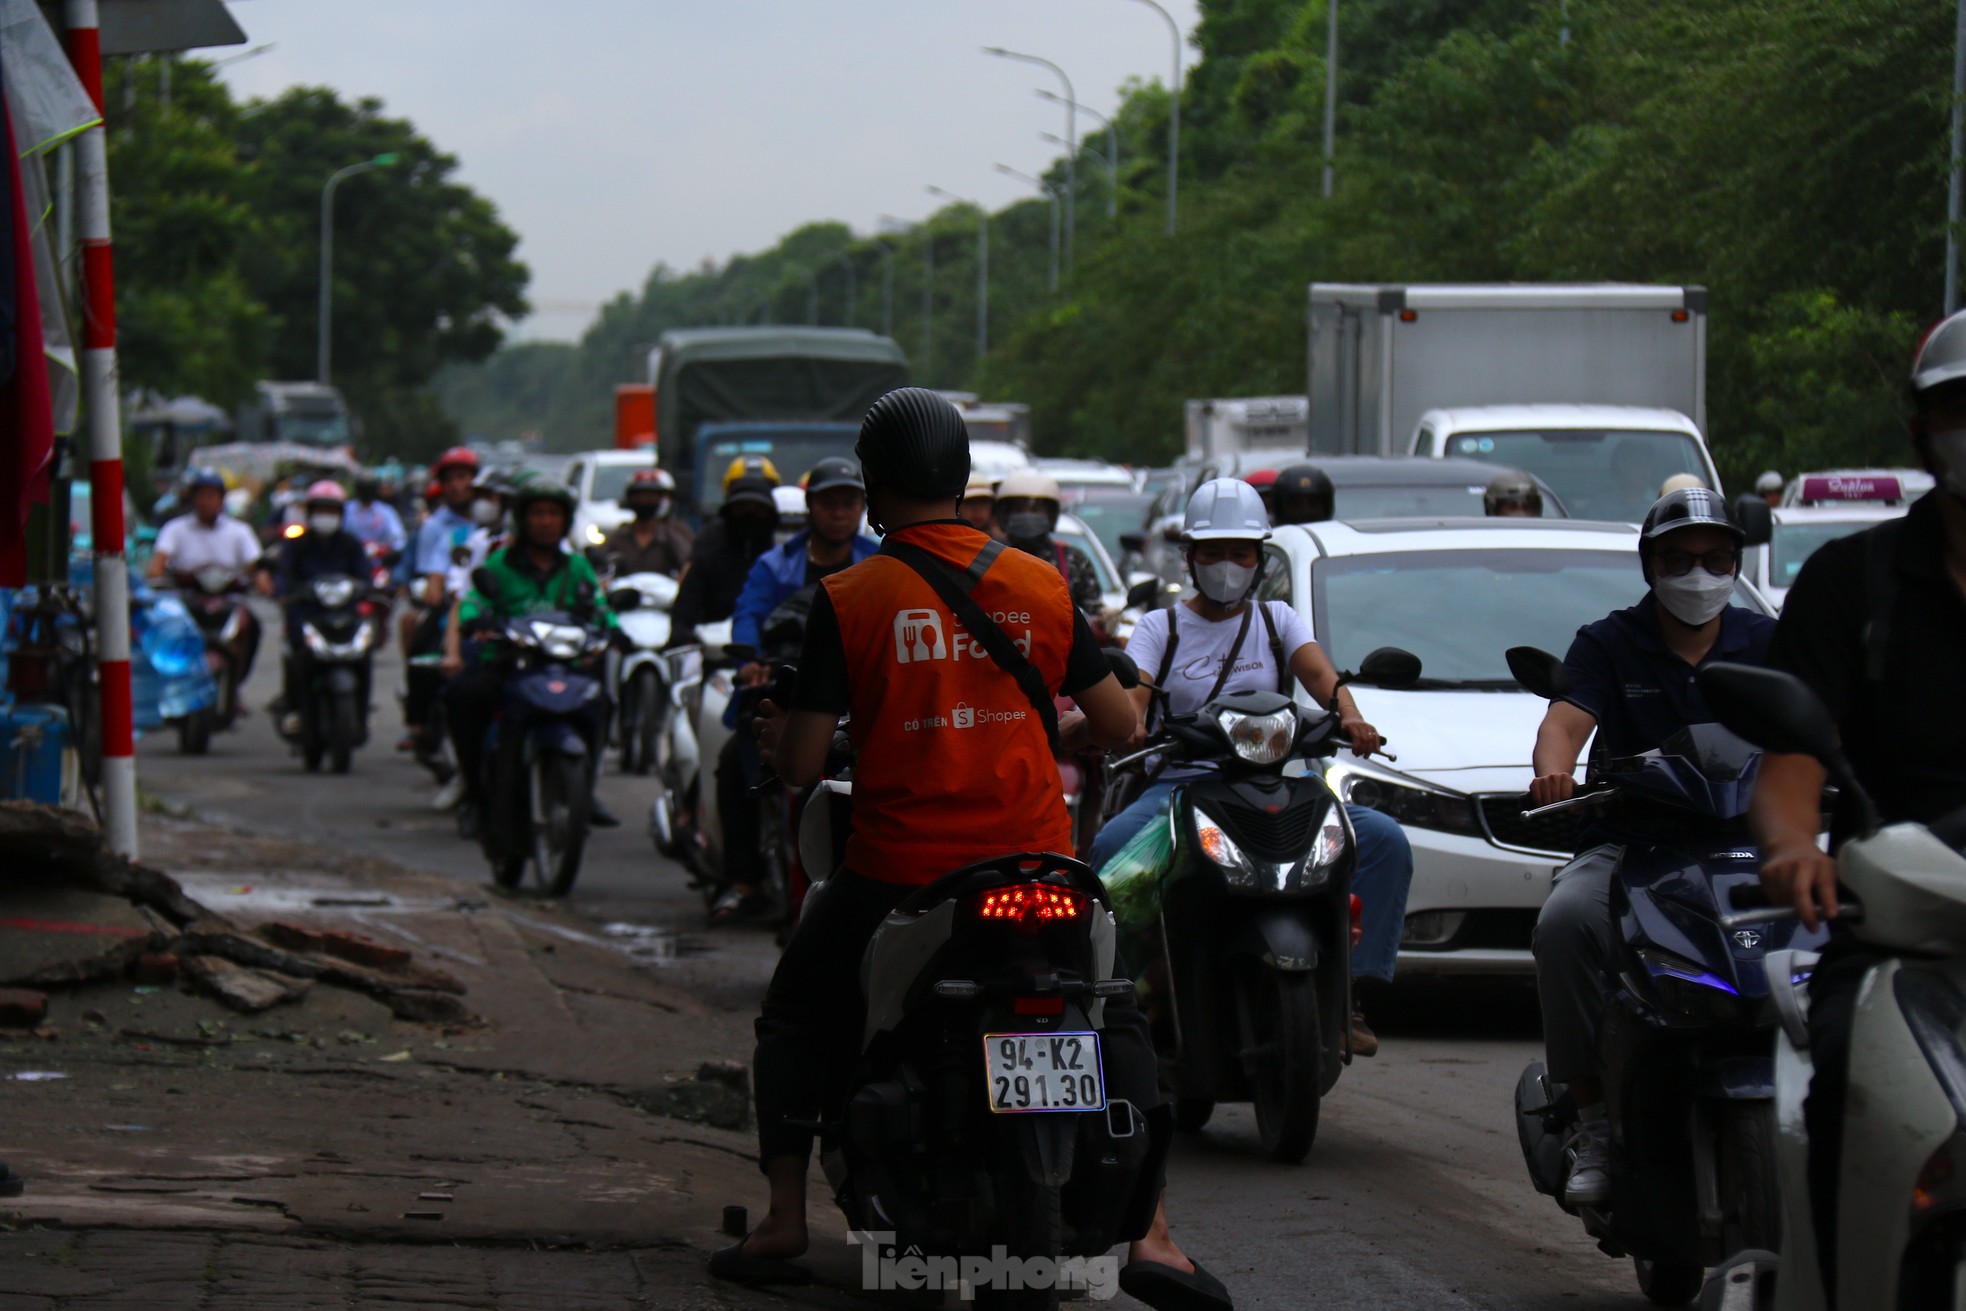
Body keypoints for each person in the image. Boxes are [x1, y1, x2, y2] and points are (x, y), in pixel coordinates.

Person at [724, 388, 1231, 1311]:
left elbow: (802, 759)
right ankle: (1154, 1235)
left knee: (799, 1010)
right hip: (1041, 866)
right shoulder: (1041, 582)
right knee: (1111, 1010)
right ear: (963, 482)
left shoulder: (852, 596)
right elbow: (1118, 723)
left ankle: (785, 1216)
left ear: (874, 489)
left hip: (900, 873)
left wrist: (776, 738)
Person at [1747, 309, 1966, 1302]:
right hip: (1903, 932)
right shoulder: (1853, 582)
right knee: (1845, 1074)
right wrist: (1796, 850)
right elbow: (1790, 766)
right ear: (1920, 427)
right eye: (1961, 408)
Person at [1084, 478, 1414, 1056]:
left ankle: (1349, 991)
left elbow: (1321, 679)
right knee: (1111, 848)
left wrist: (1352, 718)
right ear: (1189, 558)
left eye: (1241, 552)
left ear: (1259, 560)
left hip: (1275, 784)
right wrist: (1133, 723)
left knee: (1384, 842)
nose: (1227, 565)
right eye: (1213, 552)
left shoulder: (1278, 621)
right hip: (1180, 789)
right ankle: (1121, 999)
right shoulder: (1161, 627)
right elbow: (1134, 698)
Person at [1525, 486, 1776, 1208]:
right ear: (1649, 566)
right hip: (1634, 845)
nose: (1699, 574)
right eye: (1679, 559)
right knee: (1564, 923)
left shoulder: (1766, 641)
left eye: (1715, 558)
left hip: (1748, 845)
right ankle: (1594, 1120)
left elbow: (1816, 716)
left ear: (1735, 563)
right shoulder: (1608, 641)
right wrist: (1554, 767)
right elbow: (1567, 719)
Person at [709, 458, 878, 924]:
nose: (839, 513)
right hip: (780, 695)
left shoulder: (880, 559)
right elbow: (748, 613)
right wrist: (749, 663)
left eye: (849, 502)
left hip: (855, 701)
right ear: (809, 508)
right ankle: (743, 881)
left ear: (863, 507)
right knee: (731, 766)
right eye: (829, 503)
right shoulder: (775, 564)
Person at [442, 482, 617, 835]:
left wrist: (612, 630)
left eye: (553, 514)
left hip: (565, 664)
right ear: (523, 520)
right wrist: (475, 621)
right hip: (510, 665)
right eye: (538, 514)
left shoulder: (577, 567)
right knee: (463, 696)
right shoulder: (500, 564)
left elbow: (601, 610)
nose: (546, 522)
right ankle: (476, 794)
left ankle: (586, 786)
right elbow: (474, 602)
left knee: (602, 702)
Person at [148, 466, 264, 691]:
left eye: (211, 496)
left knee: (252, 625)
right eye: (201, 495)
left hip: (228, 598)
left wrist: (262, 580)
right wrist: (155, 577)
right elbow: (158, 563)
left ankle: (235, 685)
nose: (206, 501)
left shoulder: (239, 531)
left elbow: (255, 565)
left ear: (221, 499)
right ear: (192, 498)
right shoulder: (175, 529)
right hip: (187, 597)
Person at [270, 481, 371, 734]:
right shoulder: (297, 544)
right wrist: (284, 592)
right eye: (320, 510)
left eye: (331, 511)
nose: (325, 517)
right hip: (307, 612)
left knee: (364, 653)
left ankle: (362, 709)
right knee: (295, 652)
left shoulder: (350, 544)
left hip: (345, 612)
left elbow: (365, 576)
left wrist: (368, 588)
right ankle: (293, 706)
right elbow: (284, 575)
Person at [400, 447, 482, 755]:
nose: (458, 486)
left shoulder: (491, 526)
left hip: (489, 603)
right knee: (423, 645)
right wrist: (436, 591)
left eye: (464, 478)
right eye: (451, 480)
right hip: (452, 602)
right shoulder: (438, 528)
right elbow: (432, 571)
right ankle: (417, 719)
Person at [668, 473, 781, 642]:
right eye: (741, 510)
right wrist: (684, 634)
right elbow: (684, 612)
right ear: (729, 514)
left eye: (758, 510)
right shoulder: (708, 561)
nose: (749, 517)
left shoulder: (782, 564)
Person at [994, 471, 1103, 613]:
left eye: (1035, 509)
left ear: (1051, 514)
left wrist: (1105, 620)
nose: (1028, 516)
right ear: (1005, 514)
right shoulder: (991, 558)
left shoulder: (1074, 560)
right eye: (1019, 509)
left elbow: (1092, 611)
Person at [600, 469, 693, 577]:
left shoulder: (673, 535)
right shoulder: (618, 537)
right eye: (639, 497)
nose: (645, 502)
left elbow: (688, 564)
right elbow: (600, 566)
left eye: (650, 497)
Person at [343, 475, 408, 559]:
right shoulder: (347, 509)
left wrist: (387, 549)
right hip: (350, 557)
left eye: (369, 489)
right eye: (363, 488)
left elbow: (398, 538)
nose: (366, 492)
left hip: (379, 558)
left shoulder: (386, 511)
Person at [1270, 463, 1335, 526]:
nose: (1305, 511)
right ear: (1280, 508)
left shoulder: (1338, 533)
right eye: (1295, 504)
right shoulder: (1271, 535)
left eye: (1313, 504)